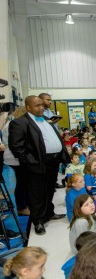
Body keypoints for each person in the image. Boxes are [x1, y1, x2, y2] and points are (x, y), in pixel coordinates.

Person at [9, 95, 69, 235]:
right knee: (36, 193)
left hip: (53, 162)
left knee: (49, 190)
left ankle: (49, 212)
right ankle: (38, 220)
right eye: (37, 105)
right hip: (37, 163)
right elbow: (17, 147)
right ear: (28, 107)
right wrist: (31, 162)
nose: (41, 107)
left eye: (42, 105)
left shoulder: (46, 122)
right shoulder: (20, 123)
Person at [2, 106, 29, 216]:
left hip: (14, 157)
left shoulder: (11, 123)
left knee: (22, 182)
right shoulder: (13, 124)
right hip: (15, 158)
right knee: (21, 183)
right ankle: (21, 207)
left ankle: (24, 205)